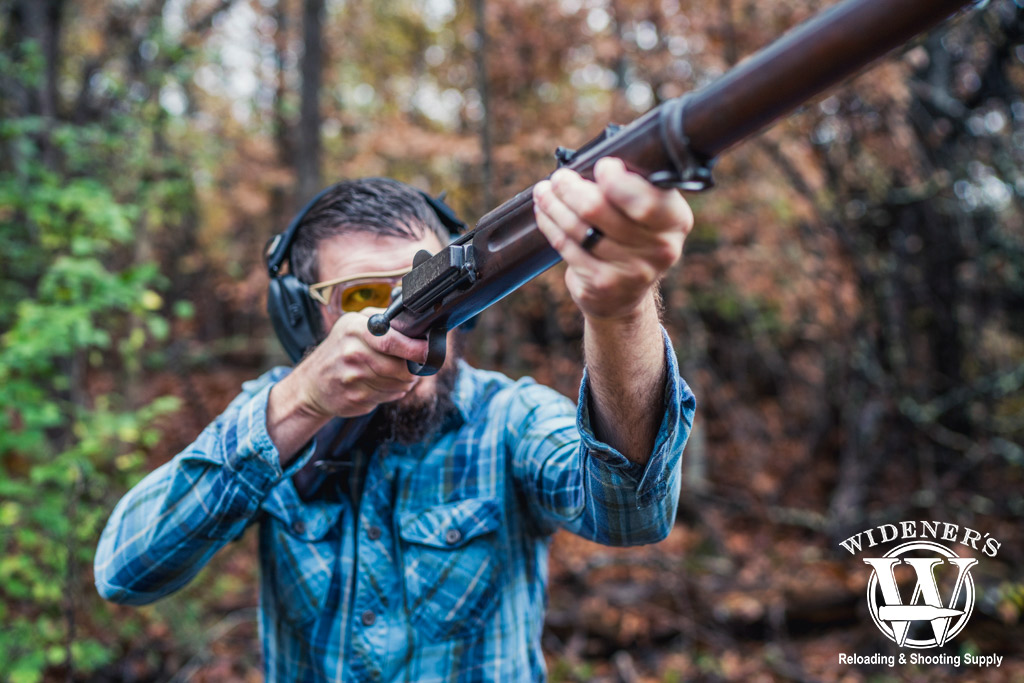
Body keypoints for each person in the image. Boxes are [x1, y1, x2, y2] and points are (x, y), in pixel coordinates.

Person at [94, 157, 697, 681]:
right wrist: (301, 403)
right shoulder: (271, 418)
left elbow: (632, 514)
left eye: (424, 288)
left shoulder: (507, 418)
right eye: (361, 298)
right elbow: (126, 570)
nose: (399, 322)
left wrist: (620, 312)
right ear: (304, 322)